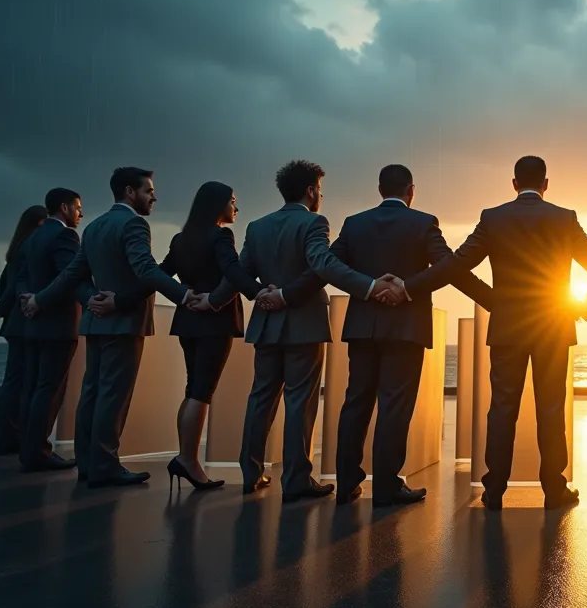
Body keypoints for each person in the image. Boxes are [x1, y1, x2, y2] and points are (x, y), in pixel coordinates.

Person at [399, 155, 587, 510]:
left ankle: (494, 490)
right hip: (555, 325)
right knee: (552, 408)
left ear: (514, 183)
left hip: (508, 325)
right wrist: (585, 306)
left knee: (502, 408)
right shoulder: (564, 218)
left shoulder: (493, 218)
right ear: (546, 184)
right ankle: (554, 490)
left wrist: (483, 299)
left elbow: (455, 265)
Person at [283, 164, 493, 507]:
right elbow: (448, 267)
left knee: (355, 404)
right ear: (411, 191)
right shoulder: (425, 223)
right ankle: (386, 486)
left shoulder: (354, 223)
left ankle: (348, 482)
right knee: (394, 407)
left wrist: (285, 295)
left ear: (380, 190)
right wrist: (491, 301)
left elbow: (325, 267)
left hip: (363, 326)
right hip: (406, 329)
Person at [217, 160, 381, 501]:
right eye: (319, 189)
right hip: (303, 324)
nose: (320, 195)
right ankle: (296, 480)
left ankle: (251, 473)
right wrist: (368, 286)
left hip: (264, 323)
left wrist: (223, 299)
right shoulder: (314, 223)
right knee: (299, 403)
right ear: (310, 190)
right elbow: (323, 264)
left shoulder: (257, 226)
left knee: (260, 398)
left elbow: (240, 271)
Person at [25, 167, 197, 488]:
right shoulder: (134, 224)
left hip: (97, 323)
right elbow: (145, 268)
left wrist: (46, 300)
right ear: (130, 192)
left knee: (92, 393)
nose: (154, 197)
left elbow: (73, 275)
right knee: (113, 397)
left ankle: (89, 464)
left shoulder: (94, 227)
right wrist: (182, 294)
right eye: (149, 191)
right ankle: (106, 465)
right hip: (123, 323)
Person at [154, 181, 268, 491]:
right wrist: (258, 292)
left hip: (187, 320)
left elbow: (160, 273)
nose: (236, 207)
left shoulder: (180, 239)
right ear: (218, 205)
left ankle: (184, 457)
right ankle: (189, 461)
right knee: (202, 392)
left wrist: (181, 295)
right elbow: (232, 269)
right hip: (213, 322)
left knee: (193, 388)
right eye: (232, 201)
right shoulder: (221, 235)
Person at [16, 189, 84, 473]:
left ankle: (28, 450)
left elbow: (21, 276)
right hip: (57, 323)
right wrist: (40, 301)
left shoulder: (33, 237)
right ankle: (39, 453)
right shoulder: (65, 236)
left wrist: (27, 300)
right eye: (78, 208)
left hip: (33, 324)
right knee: (50, 389)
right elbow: (69, 276)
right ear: (64, 207)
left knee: (31, 387)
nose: (81, 213)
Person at [0, 205, 48, 456]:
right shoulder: (30, 250)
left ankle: (7, 436)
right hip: (24, 322)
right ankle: (11, 437)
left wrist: (3, 307)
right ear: (39, 224)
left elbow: (6, 283)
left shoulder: (16, 250)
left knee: (13, 381)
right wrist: (5, 305)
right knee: (22, 381)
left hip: (13, 322)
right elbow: (15, 285)